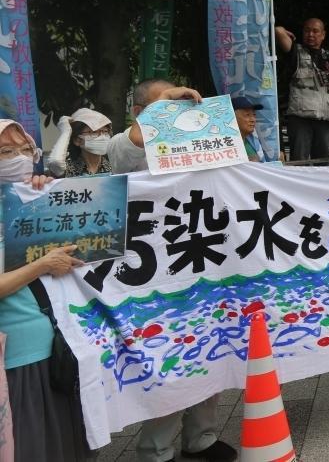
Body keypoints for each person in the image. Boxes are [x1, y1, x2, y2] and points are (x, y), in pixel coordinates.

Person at [107, 79, 237, 462]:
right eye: (166, 106)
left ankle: (202, 438)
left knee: (210, 346)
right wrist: (161, 107)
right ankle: (156, 450)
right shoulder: (123, 143)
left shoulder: (196, 144)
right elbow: (131, 145)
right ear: (139, 112)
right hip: (157, 273)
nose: (176, 114)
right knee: (169, 357)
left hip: (205, 258)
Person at [0, 119, 89, 461]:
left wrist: (49, 197)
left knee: (61, 445)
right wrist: (42, 265)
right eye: (6, 151)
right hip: (14, 357)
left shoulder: (35, 197)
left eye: (25, 150)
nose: (19, 159)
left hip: (54, 346)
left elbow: (76, 250)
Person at [275, 18, 329, 162]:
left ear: (323, 35)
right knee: (299, 162)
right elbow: (278, 32)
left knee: (324, 162)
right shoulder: (295, 51)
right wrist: (284, 32)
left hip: (325, 118)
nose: (310, 34)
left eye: (315, 31)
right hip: (300, 118)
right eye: (307, 30)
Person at [47, 108, 113, 177]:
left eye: (105, 131)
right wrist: (66, 131)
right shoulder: (69, 169)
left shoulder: (114, 168)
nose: (102, 136)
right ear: (77, 140)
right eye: (93, 132)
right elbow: (56, 163)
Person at [233, 97, 273, 162]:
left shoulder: (253, 141)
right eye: (247, 115)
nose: (253, 120)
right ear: (233, 117)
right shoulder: (226, 147)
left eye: (254, 115)